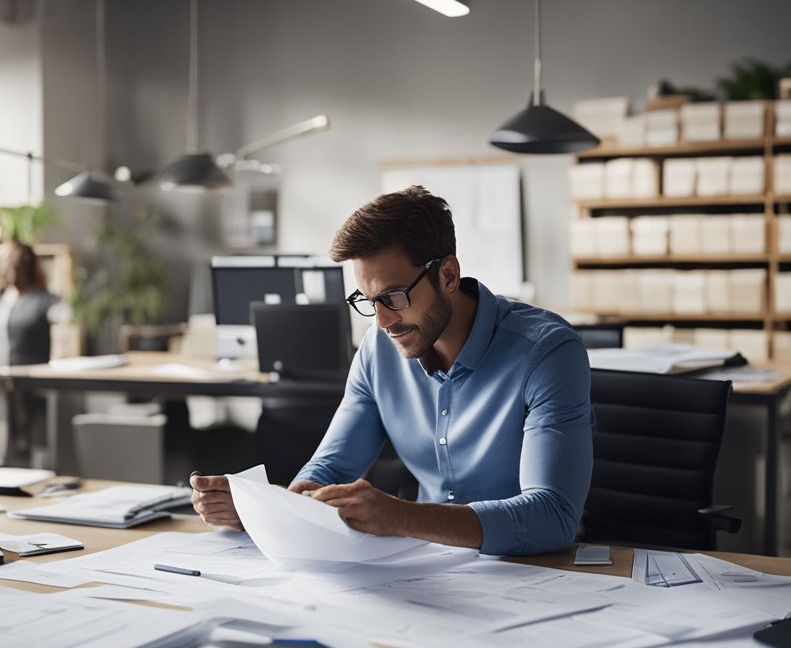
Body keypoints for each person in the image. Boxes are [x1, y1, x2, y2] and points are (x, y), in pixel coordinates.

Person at [190, 185, 593, 556]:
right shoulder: (377, 348)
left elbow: (552, 516)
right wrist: (267, 507)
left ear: (448, 275)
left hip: (534, 573)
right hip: (423, 567)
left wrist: (402, 517)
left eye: (393, 297)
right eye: (367, 301)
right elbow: (329, 470)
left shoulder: (547, 352)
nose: (382, 321)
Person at [0, 240, 69, 462]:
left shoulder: (44, 300)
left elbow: (64, 322)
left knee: (35, 439)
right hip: (0, 379)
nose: (8, 269)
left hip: (32, 382)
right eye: (5, 263)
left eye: (13, 264)